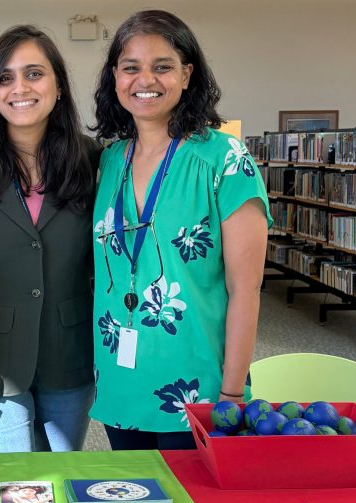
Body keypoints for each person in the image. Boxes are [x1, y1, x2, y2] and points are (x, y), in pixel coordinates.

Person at [91, 10, 271, 450]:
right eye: (130, 67)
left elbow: (245, 289)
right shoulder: (110, 160)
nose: (144, 79)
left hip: (199, 389)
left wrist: (231, 393)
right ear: (115, 76)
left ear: (187, 75)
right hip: (120, 380)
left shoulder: (224, 159)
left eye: (163, 66)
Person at [0, 26, 99, 453]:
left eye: (34, 74)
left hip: (70, 352)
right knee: (15, 498)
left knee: (61, 479)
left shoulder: (94, 160)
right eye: (5, 78)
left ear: (59, 86)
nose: (19, 88)